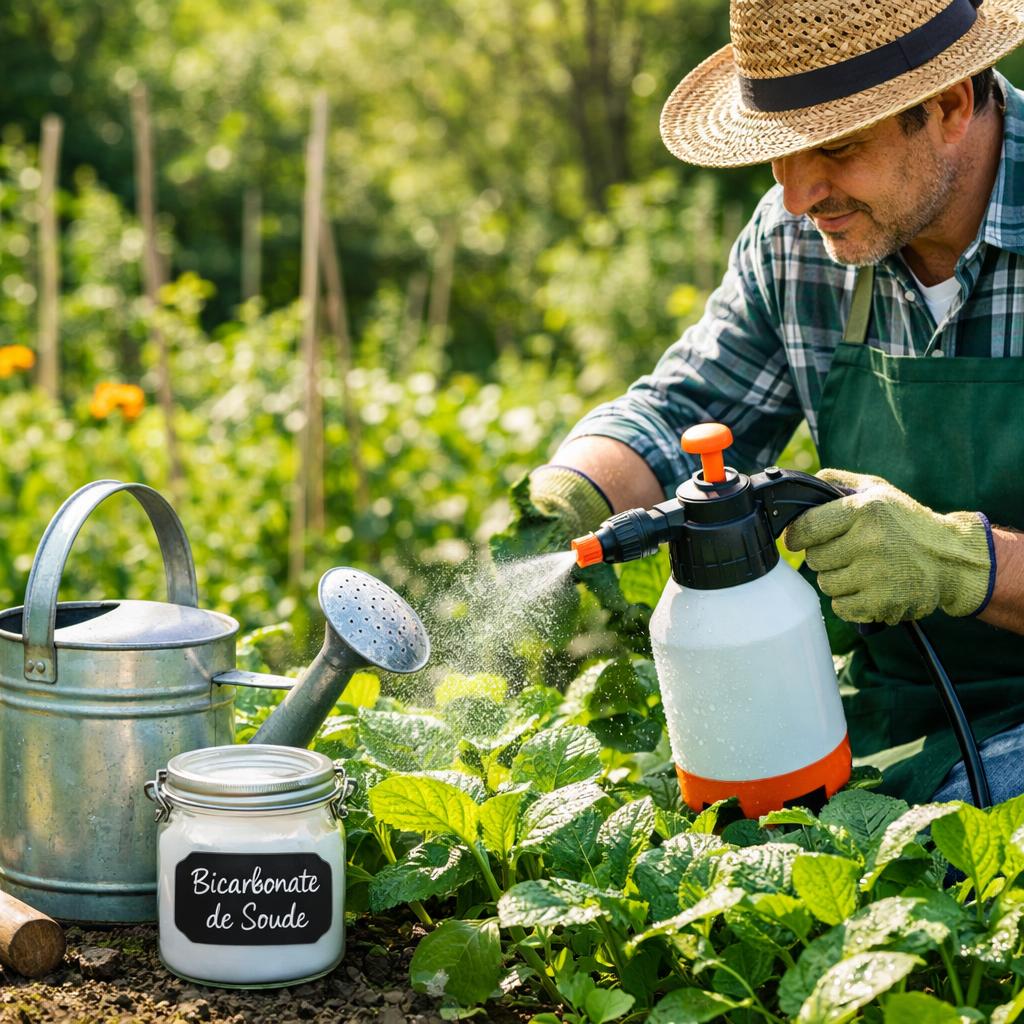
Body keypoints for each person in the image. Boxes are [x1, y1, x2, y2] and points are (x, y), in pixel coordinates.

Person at [501, 0, 1024, 806]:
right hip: (891, 707)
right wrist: (569, 496)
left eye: (837, 146)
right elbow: (693, 408)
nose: (796, 195)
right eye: (779, 152)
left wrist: (966, 564)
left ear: (950, 103)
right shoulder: (800, 244)